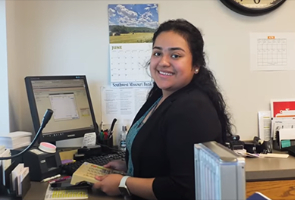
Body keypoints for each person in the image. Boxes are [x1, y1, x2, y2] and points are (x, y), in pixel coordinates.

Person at [93, 18, 232, 200]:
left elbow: (183, 188)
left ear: (196, 65)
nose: (163, 62)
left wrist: (123, 183)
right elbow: (164, 157)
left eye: (175, 55)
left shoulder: (192, 109)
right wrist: (131, 164)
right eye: (157, 53)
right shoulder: (159, 96)